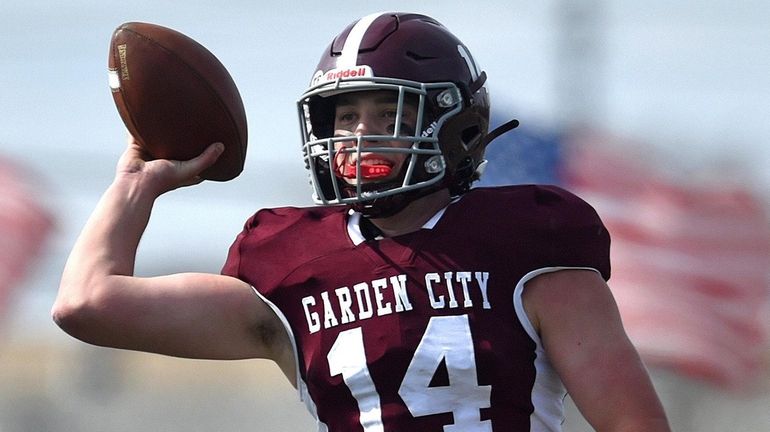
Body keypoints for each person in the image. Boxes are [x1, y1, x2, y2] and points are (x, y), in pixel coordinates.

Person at [53, 11, 670, 432]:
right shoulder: (287, 263)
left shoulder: (529, 241)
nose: (357, 135)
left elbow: (633, 423)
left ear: (455, 123)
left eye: (386, 111)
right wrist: (134, 187)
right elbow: (87, 303)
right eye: (342, 117)